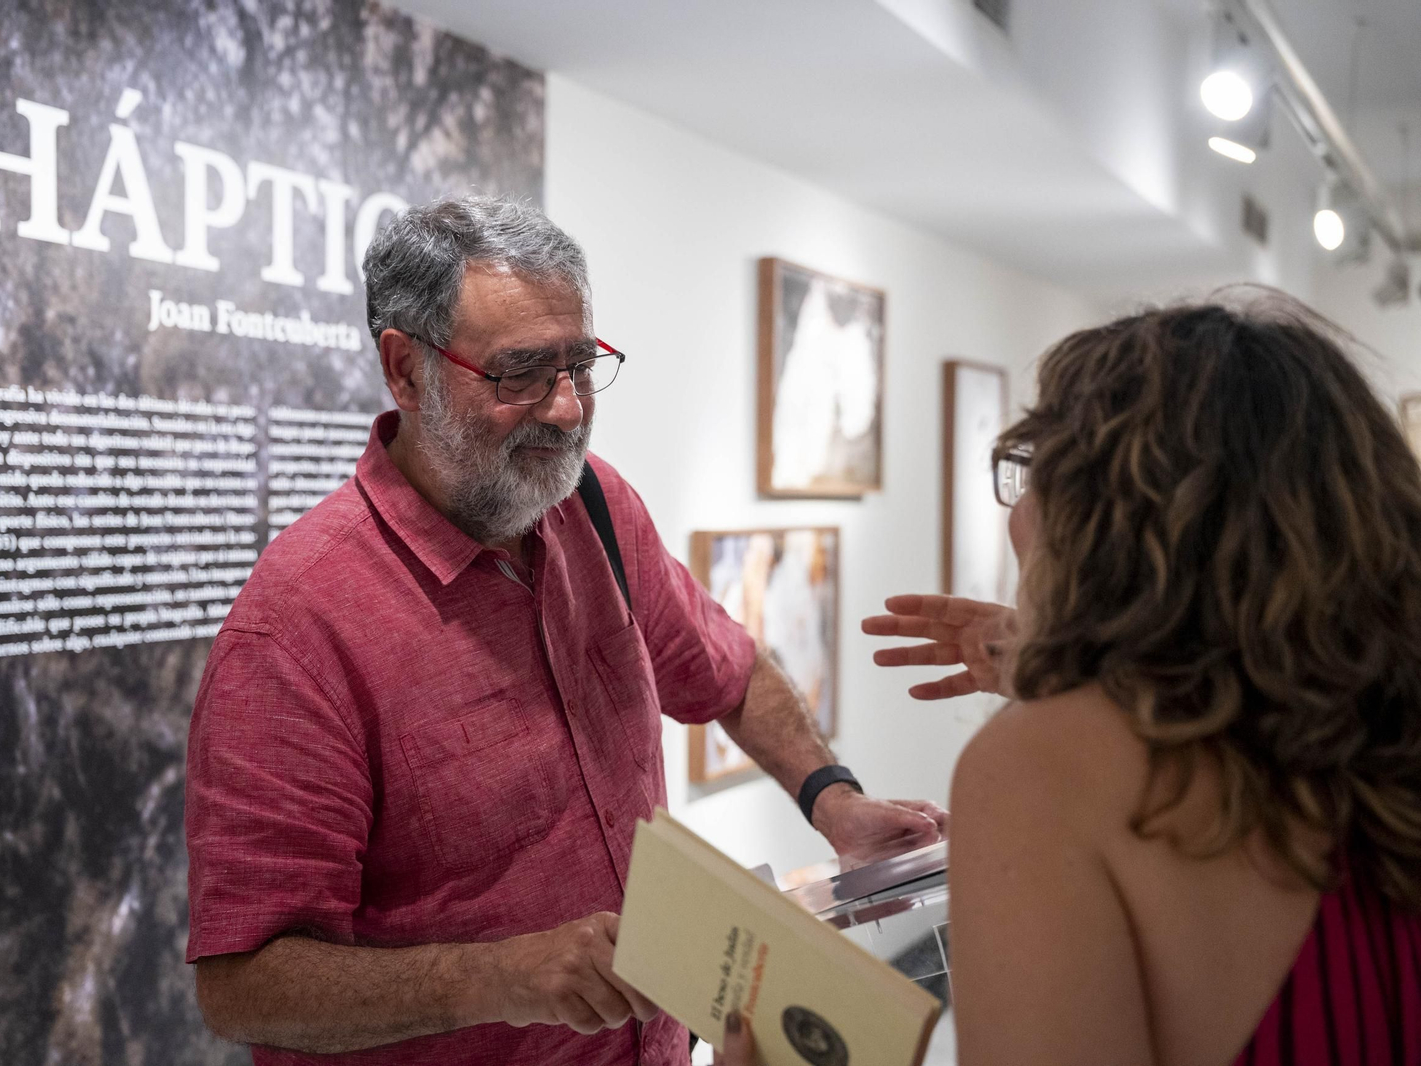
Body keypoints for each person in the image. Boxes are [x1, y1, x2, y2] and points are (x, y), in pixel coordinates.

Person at [182, 196, 947, 1066]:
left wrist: (834, 801)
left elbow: (729, 671)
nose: (567, 409)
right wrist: (496, 977)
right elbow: (243, 984)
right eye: (519, 374)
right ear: (405, 371)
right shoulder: (297, 627)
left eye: (580, 365)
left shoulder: (593, 504)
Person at [719, 293, 1421, 1065]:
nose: (1016, 517)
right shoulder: (1384, 723)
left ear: (1100, 517)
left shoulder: (1042, 769)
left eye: (1031, 471)